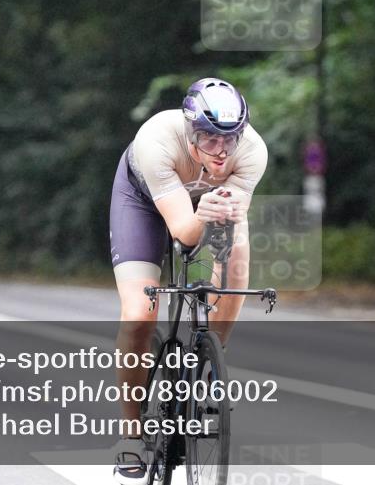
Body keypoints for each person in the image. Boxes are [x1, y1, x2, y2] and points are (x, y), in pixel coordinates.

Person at [109, 78, 267, 483]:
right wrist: (202, 216)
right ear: (188, 128)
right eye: (207, 138)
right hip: (144, 202)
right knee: (140, 313)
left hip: (209, 206)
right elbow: (184, 230)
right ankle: (130, 430)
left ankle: (211, 365)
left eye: (229, 139)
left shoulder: (252, 152)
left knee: (235, 264)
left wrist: (214, 279)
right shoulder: (157, 141)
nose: (220, 150)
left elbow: (222, 239)